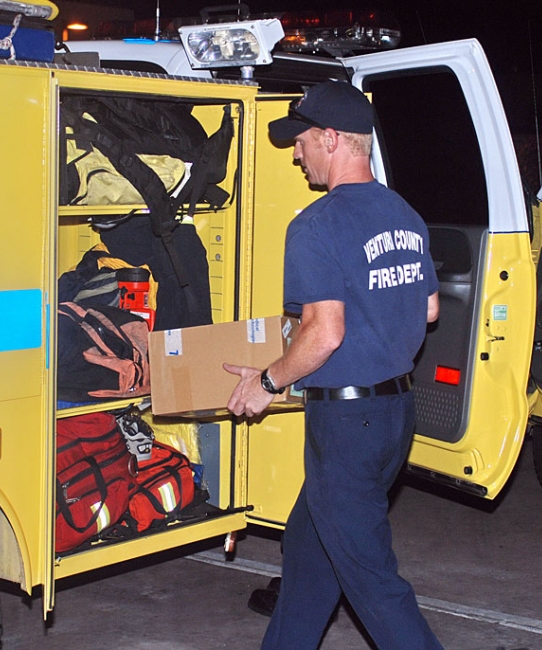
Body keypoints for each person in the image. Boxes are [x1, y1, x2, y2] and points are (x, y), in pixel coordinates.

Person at [224, 81, 442, 649]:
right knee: (308, 554)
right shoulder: (406, 216)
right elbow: (429, 306)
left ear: (332, 139)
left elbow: (325, 332)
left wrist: (266, 382)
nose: (296, 155)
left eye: (300, 142)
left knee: (373, 583)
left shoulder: (316, 224)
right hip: (395, 414)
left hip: (348, 426)